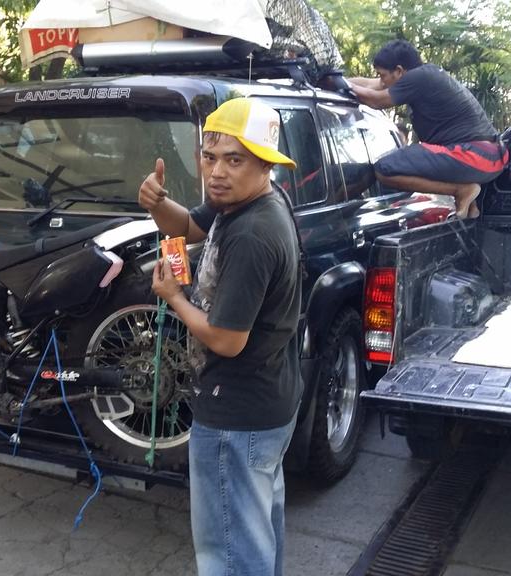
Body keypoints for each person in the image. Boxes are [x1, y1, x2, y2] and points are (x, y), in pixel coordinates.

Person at [140, 97, 302, 576]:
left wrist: (174, 297)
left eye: (234, 160)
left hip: (237, 413)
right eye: (209, 157)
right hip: (266, 402)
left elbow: (228, 341)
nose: (217, 172)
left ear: (265, 164)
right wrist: (156, 203)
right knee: (255, 537)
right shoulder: (249, 201)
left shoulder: (252, 233)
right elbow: (189, 226)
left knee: (230, 554)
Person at [346, 39, 508, 218]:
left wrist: (346, 86)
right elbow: (373, 85)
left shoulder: (419, 77)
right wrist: (338, 80)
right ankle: (471, 205)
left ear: (399, 71)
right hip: (491, 157)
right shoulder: (425, 75)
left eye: (382, 75)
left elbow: (376, 100)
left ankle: (462, 190)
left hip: (475, 155)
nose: (382, 81)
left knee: (385, 169)